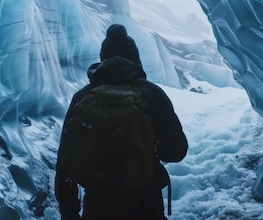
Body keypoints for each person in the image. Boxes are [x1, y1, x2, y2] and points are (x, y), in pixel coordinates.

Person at [55, 24, 188, 220]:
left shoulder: (83, 96)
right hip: (145, 200)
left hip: (98, 203)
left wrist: (69, 212)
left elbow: (64, 161)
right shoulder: (151, 93)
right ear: (135, 58)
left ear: (103, 59)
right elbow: (177, 151)